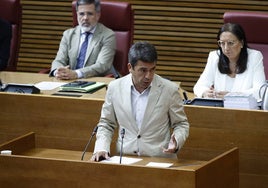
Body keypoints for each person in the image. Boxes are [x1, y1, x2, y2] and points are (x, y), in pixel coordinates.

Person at [91, 41, 189, 162]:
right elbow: (106, 123)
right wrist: (101, 148)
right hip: (125, 158)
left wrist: (177, 141)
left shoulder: (169, 90)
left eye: (152, 69)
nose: (148, 76)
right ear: (130, 68)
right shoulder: (114, 88)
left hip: (159, 160)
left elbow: (181, 124)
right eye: (143, 70)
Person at [193, 23, 266, 100]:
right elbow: (199, 86)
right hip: (219, 109)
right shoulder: (214, 56)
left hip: (245, 110)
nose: (226, 48)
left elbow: (260, 91)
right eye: (222, 43)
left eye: (230, 43)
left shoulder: (254, 57)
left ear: (241, 43)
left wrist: (233, 96)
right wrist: (205, 93)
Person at [49, 0, 116, 80]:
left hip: (97, 80)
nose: (85, 18)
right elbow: (59, 60)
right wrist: (58, 71)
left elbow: (102, 65)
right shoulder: (68, 34)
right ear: (77, 14)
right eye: (81, 14)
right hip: (70, 81)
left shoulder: (108, 35)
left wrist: (76, 74)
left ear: (98, 15)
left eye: (90, 14)